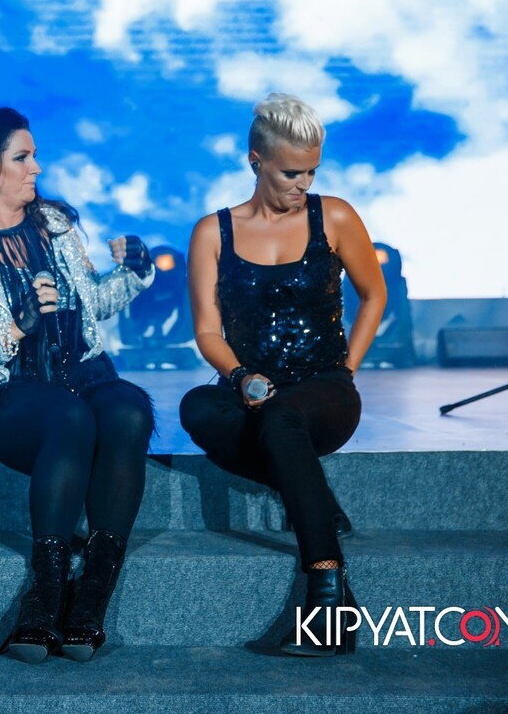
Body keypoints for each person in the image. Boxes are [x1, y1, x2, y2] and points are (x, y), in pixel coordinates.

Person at [0, 107, 156, 664]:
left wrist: (135, 273)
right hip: (9, 393)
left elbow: (92, 305)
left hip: (82, 374)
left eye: (35, 155)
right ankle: (45, 596)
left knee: (127, 408)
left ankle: (91, 596)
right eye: (22, 157)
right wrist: (14, 328)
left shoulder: (55, 224)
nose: (37, 167)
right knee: (67, 417)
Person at [178, 93, 387, 657]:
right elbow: (208, 331)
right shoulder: (212, 231)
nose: (304, 183)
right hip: (250, 388)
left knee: (283, 416)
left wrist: (347, 369)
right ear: (256, 160)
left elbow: (374, 295)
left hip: (324, 390)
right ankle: (315, 498)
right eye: (292, 172)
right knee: (197, 407)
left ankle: (328, 594)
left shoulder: (334, 216)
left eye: (312, 171)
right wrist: (242, 377)